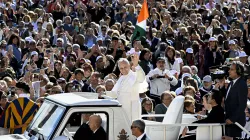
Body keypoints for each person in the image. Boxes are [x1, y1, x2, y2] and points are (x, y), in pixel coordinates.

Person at [111, 54, 146, 123]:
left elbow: (141, 78)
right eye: (121, 68)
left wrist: (136, 65)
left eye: (125, 67)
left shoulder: (134, 75)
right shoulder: (121, 78)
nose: (123, 70)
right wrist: (104, 94)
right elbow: (114, 93)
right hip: (121, 108)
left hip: (132, 108)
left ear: (129, 66)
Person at [225, 61, 248, 137]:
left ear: (238, 71)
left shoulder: (242, 84)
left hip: (236, 122)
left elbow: (242, 105)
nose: (229, 71)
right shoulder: (231, 83)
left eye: (232, 69)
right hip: (229, 121)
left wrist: (232, 119)